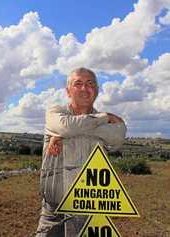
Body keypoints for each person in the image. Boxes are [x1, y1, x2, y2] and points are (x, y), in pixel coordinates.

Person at [36, 67, 126, 237]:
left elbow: (118, 136)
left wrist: (68, 131)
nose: (85, 88)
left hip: (91, 209)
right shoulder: (55, 112)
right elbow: (65, 126)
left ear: (97, 91)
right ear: (68, 90)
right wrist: (103, 119)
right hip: (54, 211)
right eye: (78, 84)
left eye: (90, 84)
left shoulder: (66, 122)